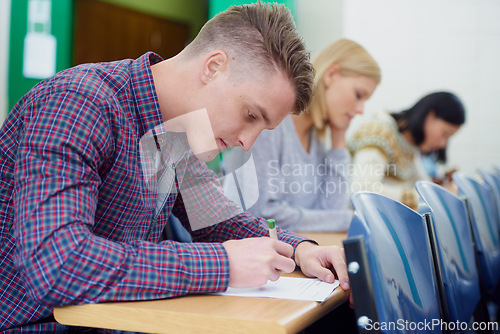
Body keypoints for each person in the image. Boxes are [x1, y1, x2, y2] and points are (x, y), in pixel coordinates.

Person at [0, 3, 352, 332]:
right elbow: (57, 265)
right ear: (213, 67)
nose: (248, 142)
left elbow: (221, 222)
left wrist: (299, 249)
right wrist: (222, 265)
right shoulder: (79, 104)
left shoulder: (179, 134)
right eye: (249, 115)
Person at [222, 39, 381, 232]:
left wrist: (339, 139)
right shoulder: (271, 122)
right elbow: (261, 213)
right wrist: (347, 219)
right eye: (358, 95)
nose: (361, 110)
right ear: (331, 75)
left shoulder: (317, 139)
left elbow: (330, 212)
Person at [348, 91, 466, 209]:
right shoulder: (379, 132)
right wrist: (432, 196)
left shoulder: (409, 144)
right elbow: (362, 189)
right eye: (445, 134)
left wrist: (442, 192)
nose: (443, 144)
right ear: (430, 115)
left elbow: (423, 184)